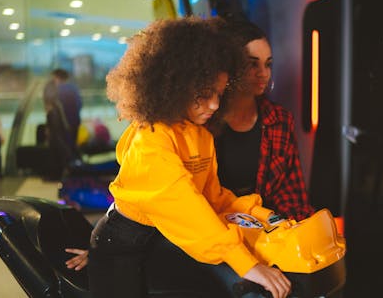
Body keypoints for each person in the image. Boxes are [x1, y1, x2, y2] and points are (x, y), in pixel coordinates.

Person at [86, 17, 291, 298]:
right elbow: (186, 205)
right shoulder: (151, 139)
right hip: (122, 247)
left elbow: (214, 198)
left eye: (219, 94)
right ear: (173, 85)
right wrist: (246, 263)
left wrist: (265, 217)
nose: (215, 104)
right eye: (204, 95)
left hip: (164, 239)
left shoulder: (200, 134)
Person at [208, 17, 315, 221]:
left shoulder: (280, 120)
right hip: (213, 230)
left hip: (265, 229)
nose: (264, 74)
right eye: (252, 64)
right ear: (230, 66)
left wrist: (298, 231)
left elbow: (292, 195)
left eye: (268, 64)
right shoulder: (205, 119)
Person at [42, 81, 74, 180]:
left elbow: (53, 122)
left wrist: (49, 132)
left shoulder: (52, 105)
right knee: (58, 151)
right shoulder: (57, 103)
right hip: (58, 131)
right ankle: (60, 172)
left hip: (55, 133)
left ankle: (55, 174)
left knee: (55, 151)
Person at [50, 68, 82, 159]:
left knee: (65, 146)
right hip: (75, 121)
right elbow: (79, 104)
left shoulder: (58, 90)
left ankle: (70, 166)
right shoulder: (74, 88)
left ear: (57, 78)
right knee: (73, 144)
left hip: (64, 124)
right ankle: (76, 163)